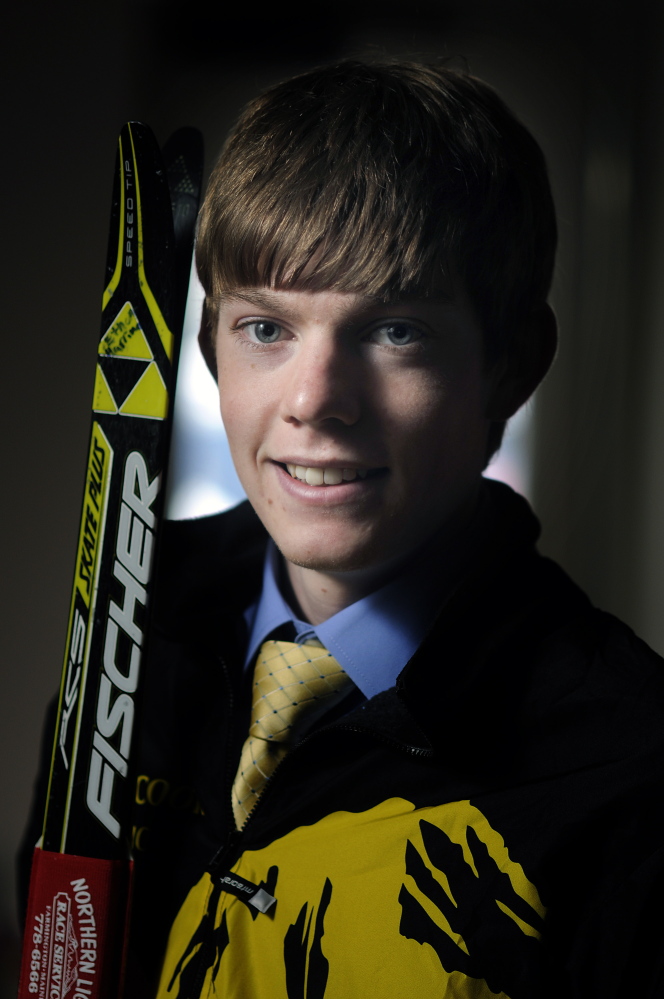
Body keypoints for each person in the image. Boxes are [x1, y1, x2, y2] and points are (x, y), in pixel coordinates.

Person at [22, 60, 664, 998]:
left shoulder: (629, 764)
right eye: (266, 329)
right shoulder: (130, 629)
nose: (316, 402)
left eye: (396, 330)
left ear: (514, 365)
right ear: (208, 351)